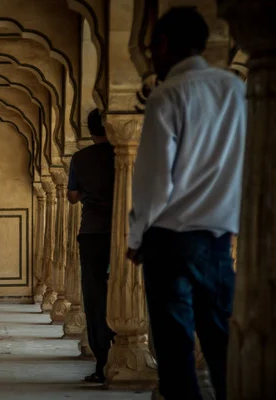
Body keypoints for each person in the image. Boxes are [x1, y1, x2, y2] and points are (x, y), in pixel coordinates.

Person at [126, 7, 246, 400]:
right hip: (217, 239)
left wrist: (137, 236)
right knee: (223, 344)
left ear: (162, 44)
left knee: (175, 352)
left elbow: (155, 181)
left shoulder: (169, 93)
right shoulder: (236, 89)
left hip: (170, 240)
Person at [67, 108, 116, 383]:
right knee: (124, 288)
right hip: (122, 233)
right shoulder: (124, 154)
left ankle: (103, 361)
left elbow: (72, 196)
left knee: (95, 296)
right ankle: (127, 348)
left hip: (92, 233)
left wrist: (88, 191)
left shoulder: (80, 158)